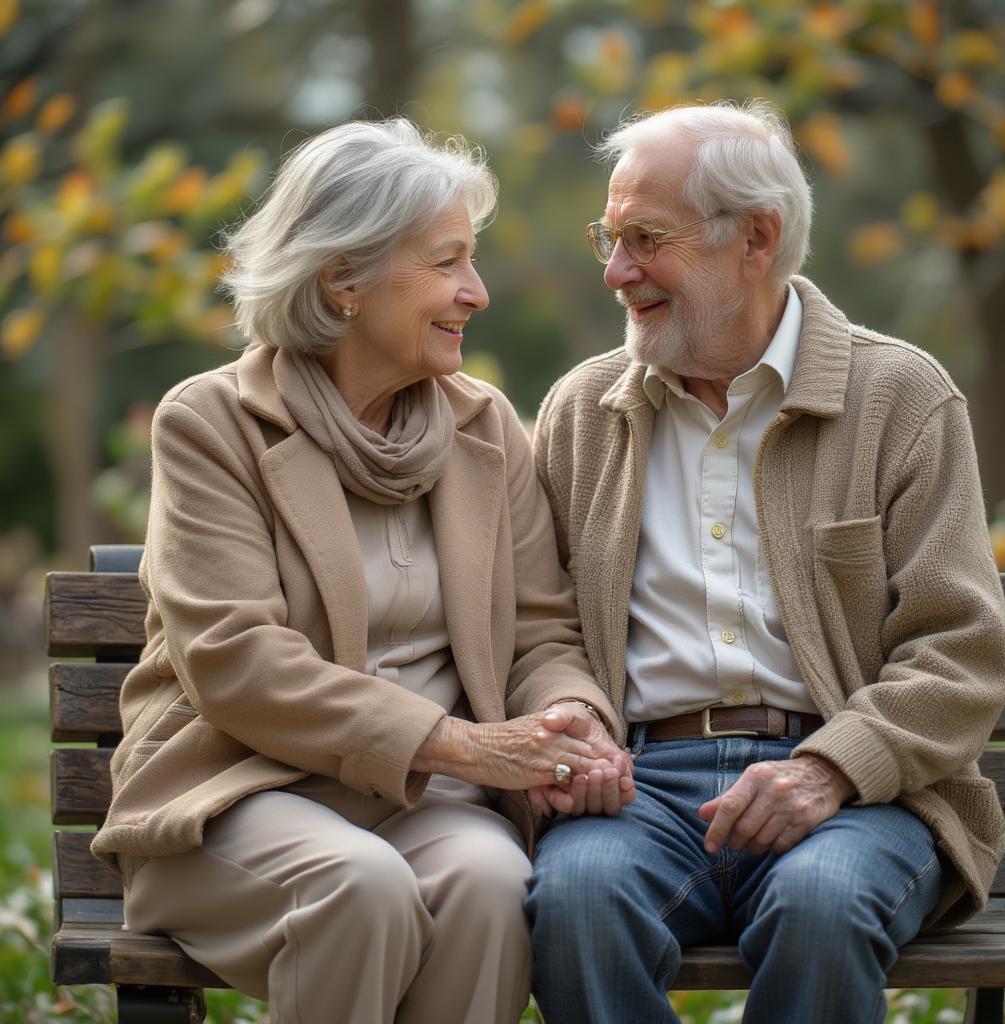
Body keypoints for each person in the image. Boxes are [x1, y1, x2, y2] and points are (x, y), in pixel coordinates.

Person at [89, 118, 633, 1024]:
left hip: (423, 804)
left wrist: (568, 716)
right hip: (237, 795)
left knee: (496, 880)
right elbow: (236, 659)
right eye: (449, 262)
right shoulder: (215, 424)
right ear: (342, 277)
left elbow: (542, 628)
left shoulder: (484, 427)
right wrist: (465, 747)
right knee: (358, 887)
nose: (478, 291)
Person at [525, 99, 1005, 1024]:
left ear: (756, 237)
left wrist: (830, 768)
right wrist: (572, 712)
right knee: (578, 903)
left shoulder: (901, 397)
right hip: (642, 790)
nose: (614, 271)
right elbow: (538, 621)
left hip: (863, 789)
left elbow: (961, 652)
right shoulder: (582, 411)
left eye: (645, 238)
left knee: (823, 905)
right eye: (609, 235)